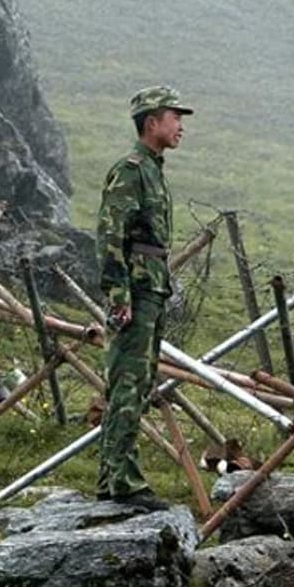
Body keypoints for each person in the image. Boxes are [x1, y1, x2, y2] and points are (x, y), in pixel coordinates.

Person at [94, 85, 193, 511]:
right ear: (152, 122)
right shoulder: (130, 171)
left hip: (151, 285)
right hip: (134, 288)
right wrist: (119, 294)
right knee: (128, 382)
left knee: (140, 381)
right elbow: (110, 235)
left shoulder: (153, 170)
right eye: (175, 117)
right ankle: (123, 481)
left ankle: (112, 477)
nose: (181, 126)